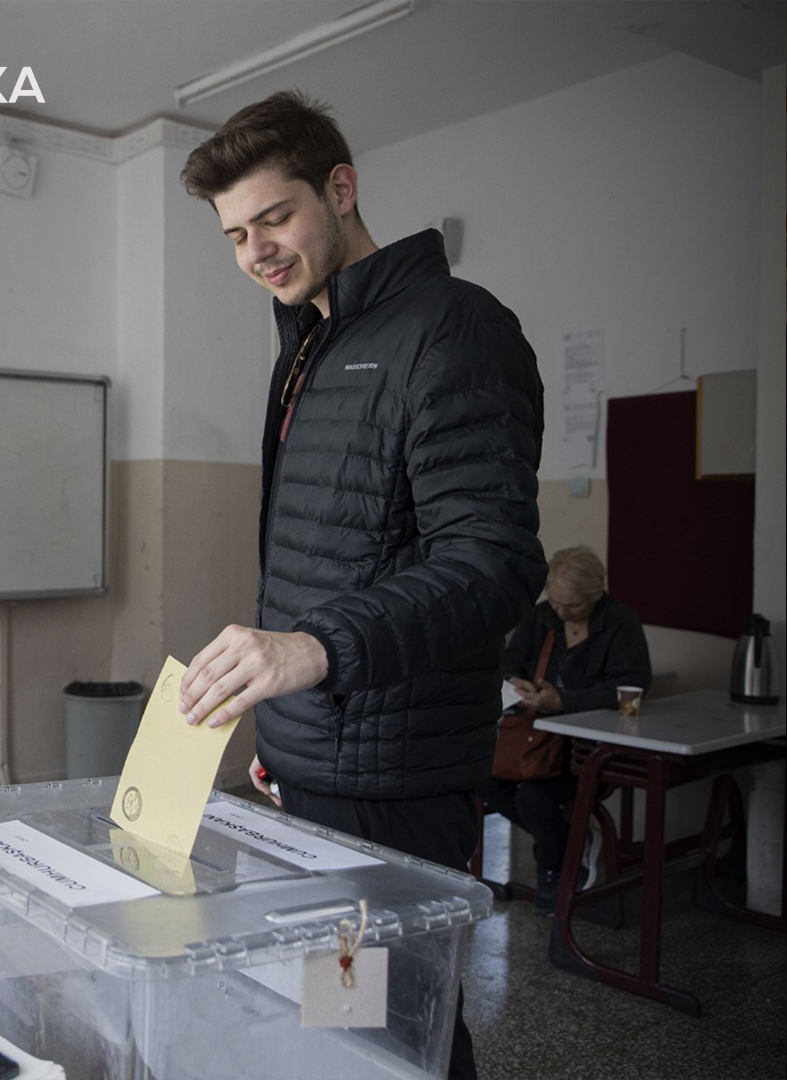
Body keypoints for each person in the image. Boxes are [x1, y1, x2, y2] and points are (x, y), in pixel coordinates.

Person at [178, 90, 546, 1079]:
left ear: (340, 189)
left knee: (398, 1035)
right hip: (319, 766)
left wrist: (310, 650)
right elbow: (328, 553)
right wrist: (285, 736)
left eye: (276, 218)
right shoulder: (309, 340)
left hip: (399, 778)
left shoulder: (454, 331)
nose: (257, 251)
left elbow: (494, 563)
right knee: (345, 1028)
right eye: (236, 235)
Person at [479, 545, 652, 915]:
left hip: (589, 748)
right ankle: (575, 843)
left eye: (571, 606)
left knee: (533, 797)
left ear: (596, 593)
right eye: (555, 602)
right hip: (536, 740)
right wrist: (518, 684)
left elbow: (631, 686)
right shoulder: (542, 617)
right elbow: (509, 662)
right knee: (486, 780)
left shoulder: (621, 623)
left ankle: (554, 869)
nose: (560, 612)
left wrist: (564, 702)